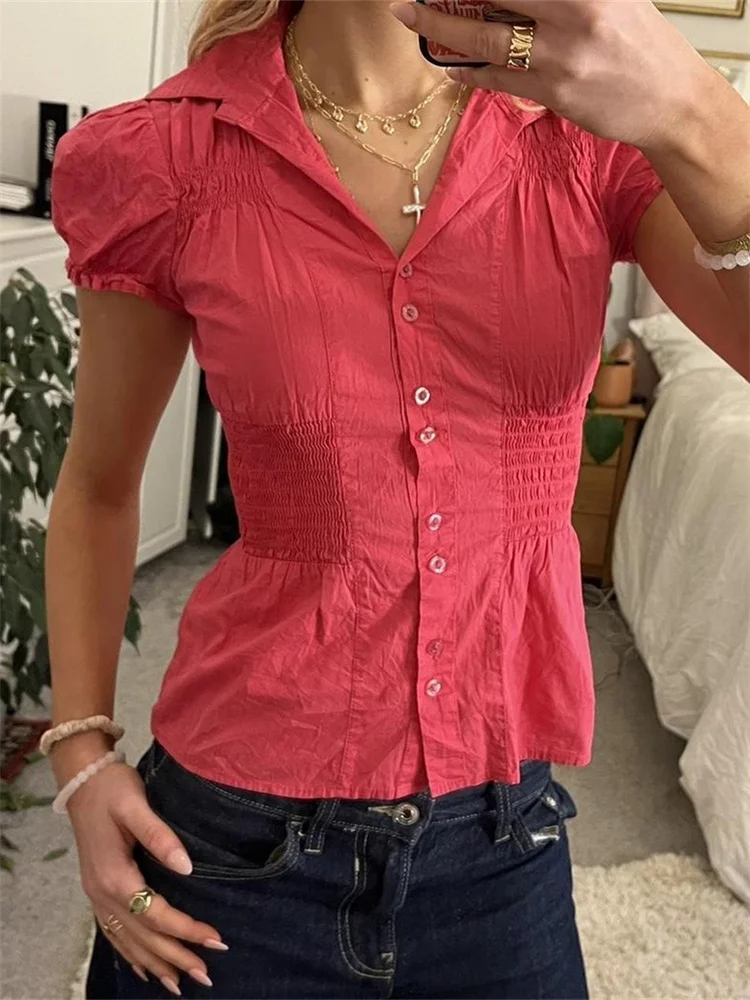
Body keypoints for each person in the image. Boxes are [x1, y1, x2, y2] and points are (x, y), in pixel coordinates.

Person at [45, 1, 749, 997]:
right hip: (235, 846)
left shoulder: (590, 135)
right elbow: (99, 484)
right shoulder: (170, 152)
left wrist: (694, 106)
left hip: (501, 843)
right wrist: (79, 759)